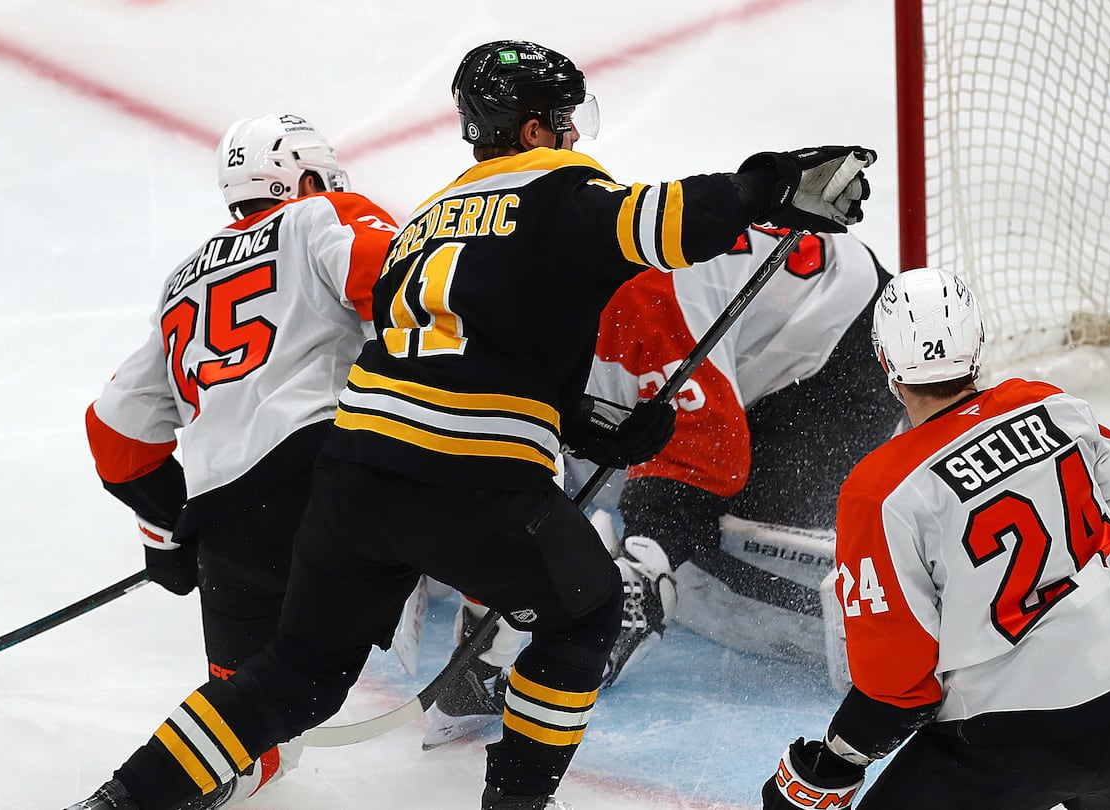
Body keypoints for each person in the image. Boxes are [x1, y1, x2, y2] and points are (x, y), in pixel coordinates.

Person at [67, 38, 872, 810]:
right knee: (584, 614)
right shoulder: (556, 190)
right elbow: (667, 219)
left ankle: (120, 797)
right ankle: (515, 800)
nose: (569, 135)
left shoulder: (425, 216)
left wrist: (586, 424)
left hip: (351, 480)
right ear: (531, 129)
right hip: (471, 480)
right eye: (560, 120)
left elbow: (454, 351)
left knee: (293, 676)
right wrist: (769, 185)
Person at [422, 225, 904, 750]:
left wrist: (647, 559)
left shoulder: (636, 307)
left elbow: (708, 456)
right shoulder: (520, 310)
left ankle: (882, 623)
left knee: (704, 544)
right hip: (752, 334)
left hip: (841, 349)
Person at [759, 267, 1110, 810]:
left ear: (885, 363)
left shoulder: (882, 491)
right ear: (978, 344)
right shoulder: (1053, 406)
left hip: (1007, 748)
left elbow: (897, 688)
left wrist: (835, 761)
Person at [83, 113, 398, 807]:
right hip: (328, 479)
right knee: (487, 504)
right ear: (305, 177)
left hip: (230, 523)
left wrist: (170, 532)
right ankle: (490, 643)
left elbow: (115, 429)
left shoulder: (179, 285)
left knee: (246, 717)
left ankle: (147, 794)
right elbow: (410, 290)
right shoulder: (325, 215)